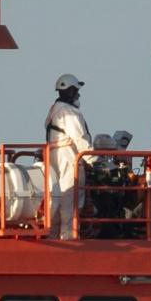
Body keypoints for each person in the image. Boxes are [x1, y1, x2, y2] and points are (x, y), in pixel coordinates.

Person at [44, 74, 96, 239]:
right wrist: (93, 160)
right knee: (70, 196)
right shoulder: (70, 113)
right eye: (76, 91)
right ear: (71, 91)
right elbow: (80, 138)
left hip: (52, 155)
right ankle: (68, 234)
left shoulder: (54, 110)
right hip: (67, 156)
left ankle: (52, 233)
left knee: (55, 196)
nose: (78, 94)